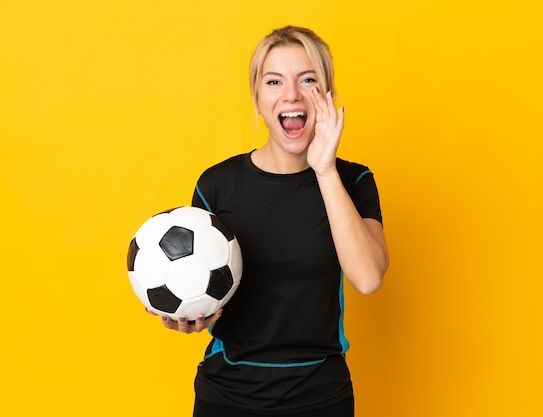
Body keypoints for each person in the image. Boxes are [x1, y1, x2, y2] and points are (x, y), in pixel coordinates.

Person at [151, 25, 389, 416]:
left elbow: (368, 278)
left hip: (321, 397)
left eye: (308, 80)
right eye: (274, 81)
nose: (291, 94)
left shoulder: (353, 180)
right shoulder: (217, 184)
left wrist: (325, 171)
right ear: (258, 99)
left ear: (327, 96)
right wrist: (194, 315)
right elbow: (205, 289)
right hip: (226, 397)